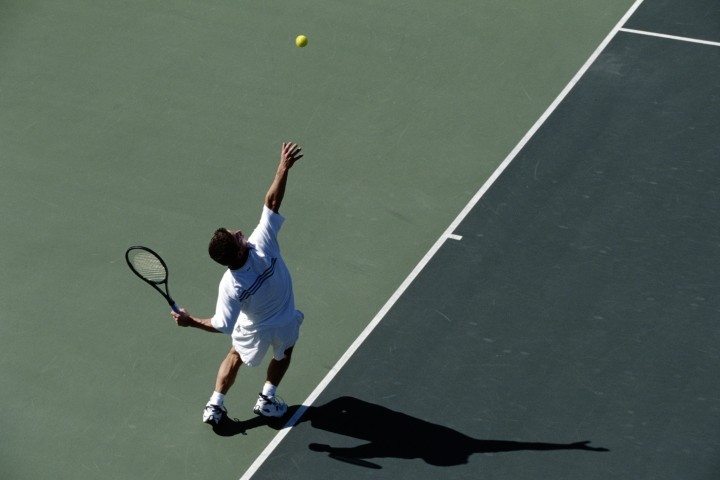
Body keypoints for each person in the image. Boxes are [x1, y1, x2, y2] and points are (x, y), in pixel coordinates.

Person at [171, 142, 305, 426]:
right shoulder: (262, 244)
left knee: (235, 354)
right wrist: (283, 167)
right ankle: (267, 400)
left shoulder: (229, 285)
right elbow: (272, 203)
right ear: (240, 249)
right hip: (284, 321)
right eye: (238, 236)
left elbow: (221, 325)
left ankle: (214, 405)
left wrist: (189, 320)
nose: (242, 232)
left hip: (254, 328)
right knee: (284, 354)